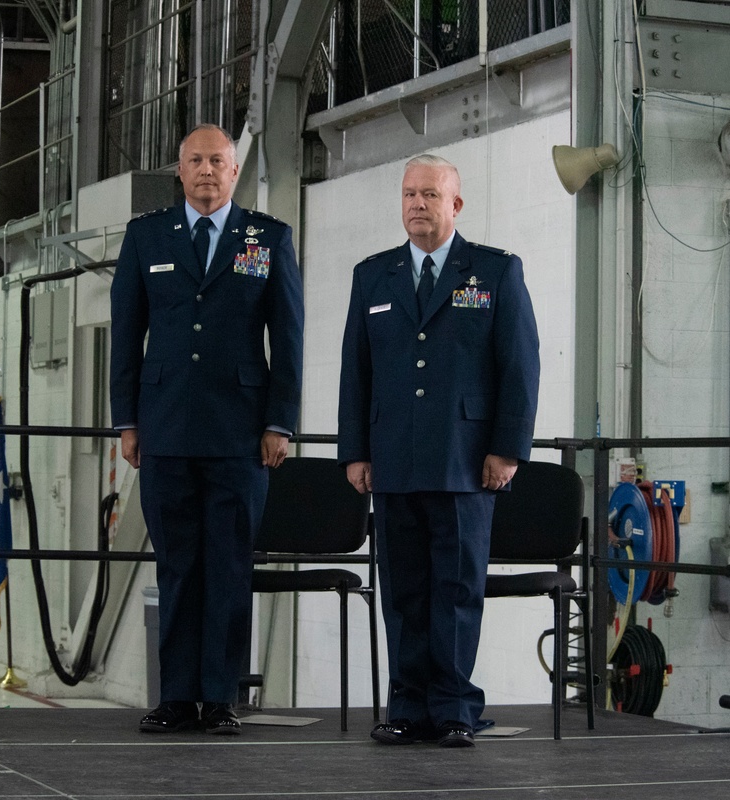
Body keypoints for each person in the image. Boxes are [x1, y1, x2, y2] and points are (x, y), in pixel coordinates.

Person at [338, 154, 539, 748]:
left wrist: (507, 449)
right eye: (408, 194)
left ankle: (453, 707)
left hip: (465, 460)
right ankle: (406, 705)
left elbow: (519, 368)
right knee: (402, 591)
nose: (417, 204)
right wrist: (355, 450)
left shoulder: (496, 272)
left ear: (456, 205)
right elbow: (356, 370)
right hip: (393, 459)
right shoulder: (373, 275)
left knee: (455, 589)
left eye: (430, 194)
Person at [109, 124, 304, 735]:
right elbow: (125, 335)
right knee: (177, 567)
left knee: (228, 566)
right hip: (164, 427)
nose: (206, 171)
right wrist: (127, 420)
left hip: (241, 432)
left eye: (218, 160)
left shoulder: (267, 238)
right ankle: (177, 697)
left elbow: (290, 337)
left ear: (234, 168)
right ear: (178, 167)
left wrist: (280, 421)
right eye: (195, 160)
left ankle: (220, 696)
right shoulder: (146, 237)